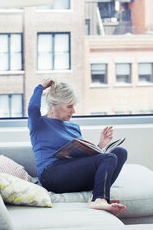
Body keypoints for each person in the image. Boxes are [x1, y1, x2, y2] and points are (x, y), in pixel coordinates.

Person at [28, 78, 128, 215]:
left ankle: (99, 195)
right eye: (69, 106)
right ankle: (100, 199)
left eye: (74, 106)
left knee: (120, 153)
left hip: (72, 177)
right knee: (108, 158)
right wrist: (41, 86)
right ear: (53, 104)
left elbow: (84, 159)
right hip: (51, 174)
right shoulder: (39, 124)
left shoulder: (74, 127)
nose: (73, 111)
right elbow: (32, 108)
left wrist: (101, 145)